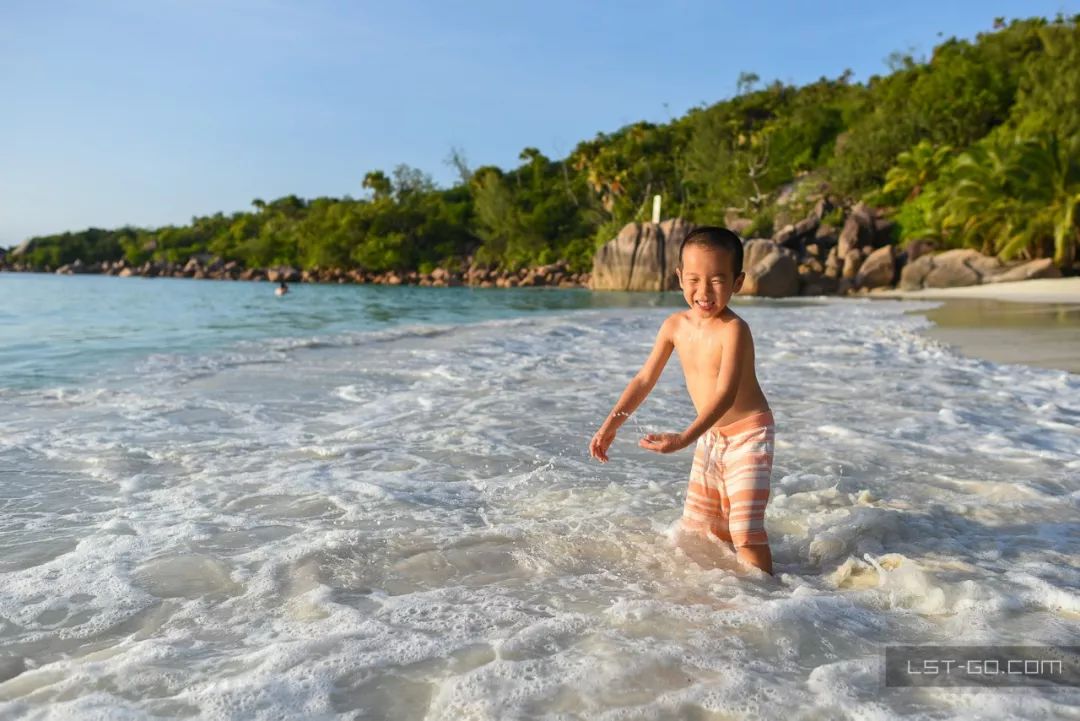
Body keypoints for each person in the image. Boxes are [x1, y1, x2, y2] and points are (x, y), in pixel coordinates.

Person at [589, 226, 776, 574]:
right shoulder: (674, 325)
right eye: (694, 279)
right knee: (704, 529)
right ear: (679, 278)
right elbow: (644, 379)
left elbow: (726, 394)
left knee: (746, 533)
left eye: (718, 280)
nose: (703, 291)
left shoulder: (734, 330)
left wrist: (682, 439)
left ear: (737, 282)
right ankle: (727, 600)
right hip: (710, 436)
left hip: (749, 436)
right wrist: (610, 426)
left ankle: (772, 602)